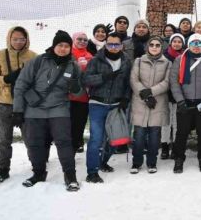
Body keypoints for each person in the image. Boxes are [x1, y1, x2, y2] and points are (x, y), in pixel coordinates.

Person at [12, 30, 84, 191]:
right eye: (60, 45)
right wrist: (18, 110)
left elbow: (79, 93)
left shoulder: (73, 66)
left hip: (59, 109)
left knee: (64, 143)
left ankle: (70, 176)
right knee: (34, 144)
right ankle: (38, 173)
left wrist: (76, 87)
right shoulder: (38, 61)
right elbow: (21, 84)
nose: (63, 48)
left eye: (66, 46)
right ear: (54, 46)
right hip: (34, 110)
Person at [0, 26, 38, 184]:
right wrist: (7, 79)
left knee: (31, 138)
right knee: (4, 139)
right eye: (15, 39)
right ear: (9, 39)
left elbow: (41, 80)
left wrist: (27, 82)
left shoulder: (34, 56)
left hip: (27, 105)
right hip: (6, 104)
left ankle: (37, 167)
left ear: (26, 39)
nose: (18, 42)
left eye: (22, 39)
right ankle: (2, 170)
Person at [83, 32, 133, 183]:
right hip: (97, 104)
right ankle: (92, 172)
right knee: (96, 139)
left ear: (121, 45)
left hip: (116, 105)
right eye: (110, 44)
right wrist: (103, 77)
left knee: (116, 138)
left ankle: (103, 161)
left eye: (116, 44)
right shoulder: (96, 60)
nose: (113, 47)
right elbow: (86, 80)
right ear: (105, 45)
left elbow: (128, 83)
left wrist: (125, 98)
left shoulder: (126, 61)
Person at [169, 33, 201, 173]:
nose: (196, 46)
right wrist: (180, 100)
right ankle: (179, 158)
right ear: (189, 45)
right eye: (194, 43)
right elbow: (174, 81)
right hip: (185, 101)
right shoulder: (180, 59)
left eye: (199, 44)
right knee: (181, 132)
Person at [129, 36, 171, 174]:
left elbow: (167, 82)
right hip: (140, 102)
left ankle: (152, 162)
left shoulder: (167, 63)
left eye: (157, 45)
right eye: (151, 45)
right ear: (147, 47)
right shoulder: (139, 61)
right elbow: (134, 79)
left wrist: (152, 92)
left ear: (161, 47)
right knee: (139, 135)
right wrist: (145, 94)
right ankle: (136, 162)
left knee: (154, 136)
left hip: (157, 103)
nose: (154, 47)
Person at [161, 33, 185, 160]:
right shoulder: (164, 56)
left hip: (179, 94)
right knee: (166, 122)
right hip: (165, 93)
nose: (177, 44)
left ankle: (176, 147)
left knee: (177, 123)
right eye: (174, 41)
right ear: (170, 43)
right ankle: (164, 146)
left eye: (179, 42)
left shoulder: (185, 57)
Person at [70, 32, 92, 154]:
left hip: (82, 98)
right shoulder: (67, 53)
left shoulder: (89, 57)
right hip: (65, 98)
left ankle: (72, 151)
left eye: (85, 40)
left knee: (78, 127)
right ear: (74, 39)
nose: (82, 41)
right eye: (79, 39)